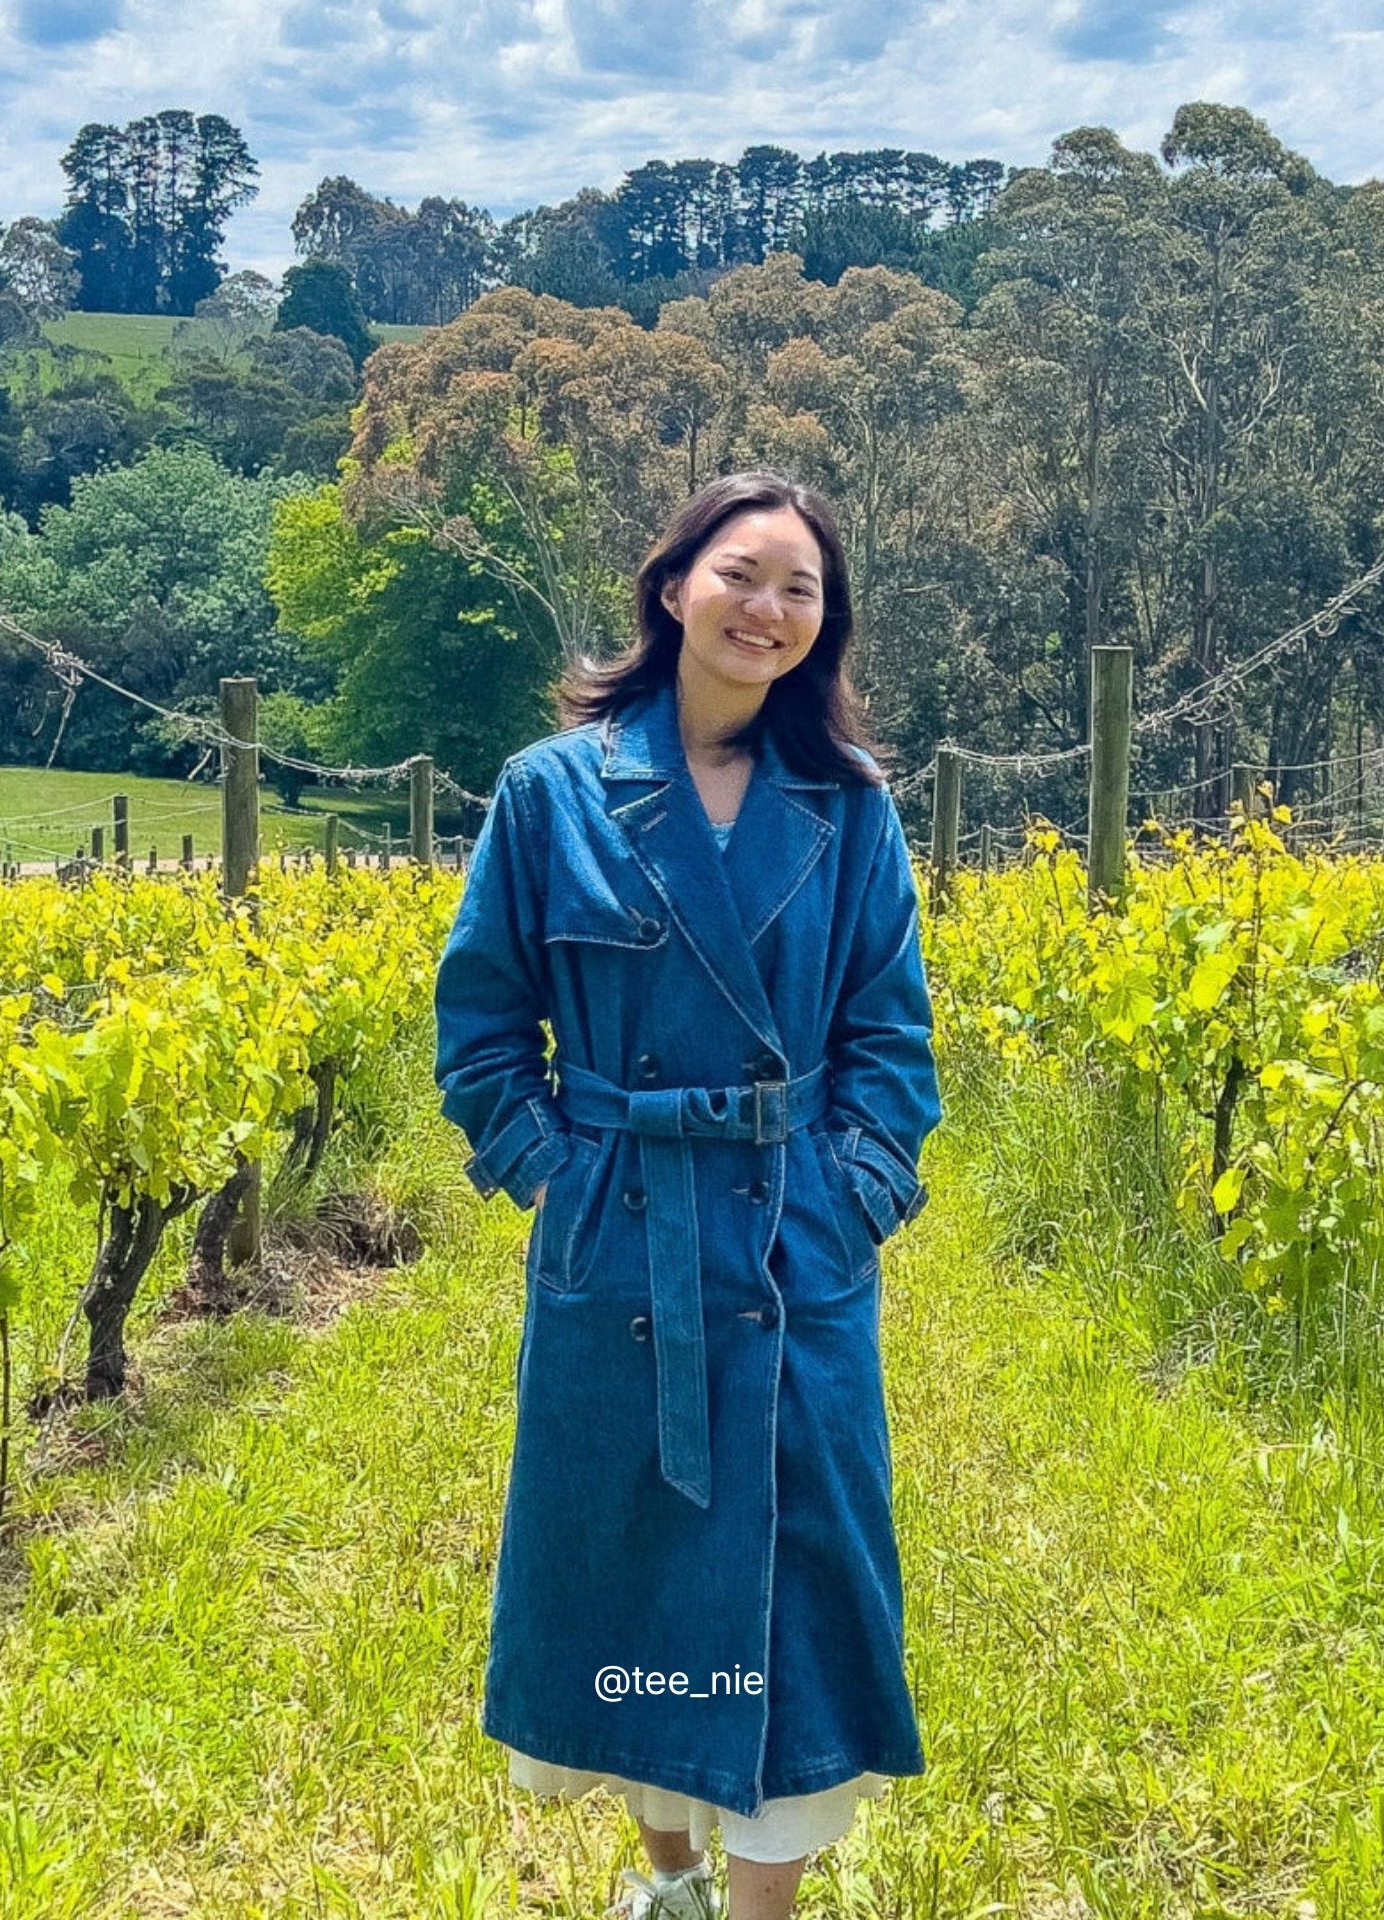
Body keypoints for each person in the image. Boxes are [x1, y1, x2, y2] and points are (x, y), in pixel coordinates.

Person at [432, 471, 942, 1920]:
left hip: (795, 1247)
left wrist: (848, 1198)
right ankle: (668, 1877)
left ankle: (760, 1905)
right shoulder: (553, 791)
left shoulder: (848, 812)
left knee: (805, 1579)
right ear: (674, 587)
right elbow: (481, 1026)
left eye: (801, 589)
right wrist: (558, 1177)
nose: (767, 609)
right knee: (634, 1567)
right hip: (622, 1237)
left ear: (824, 624)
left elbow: (890, 1042)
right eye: (741, 573)